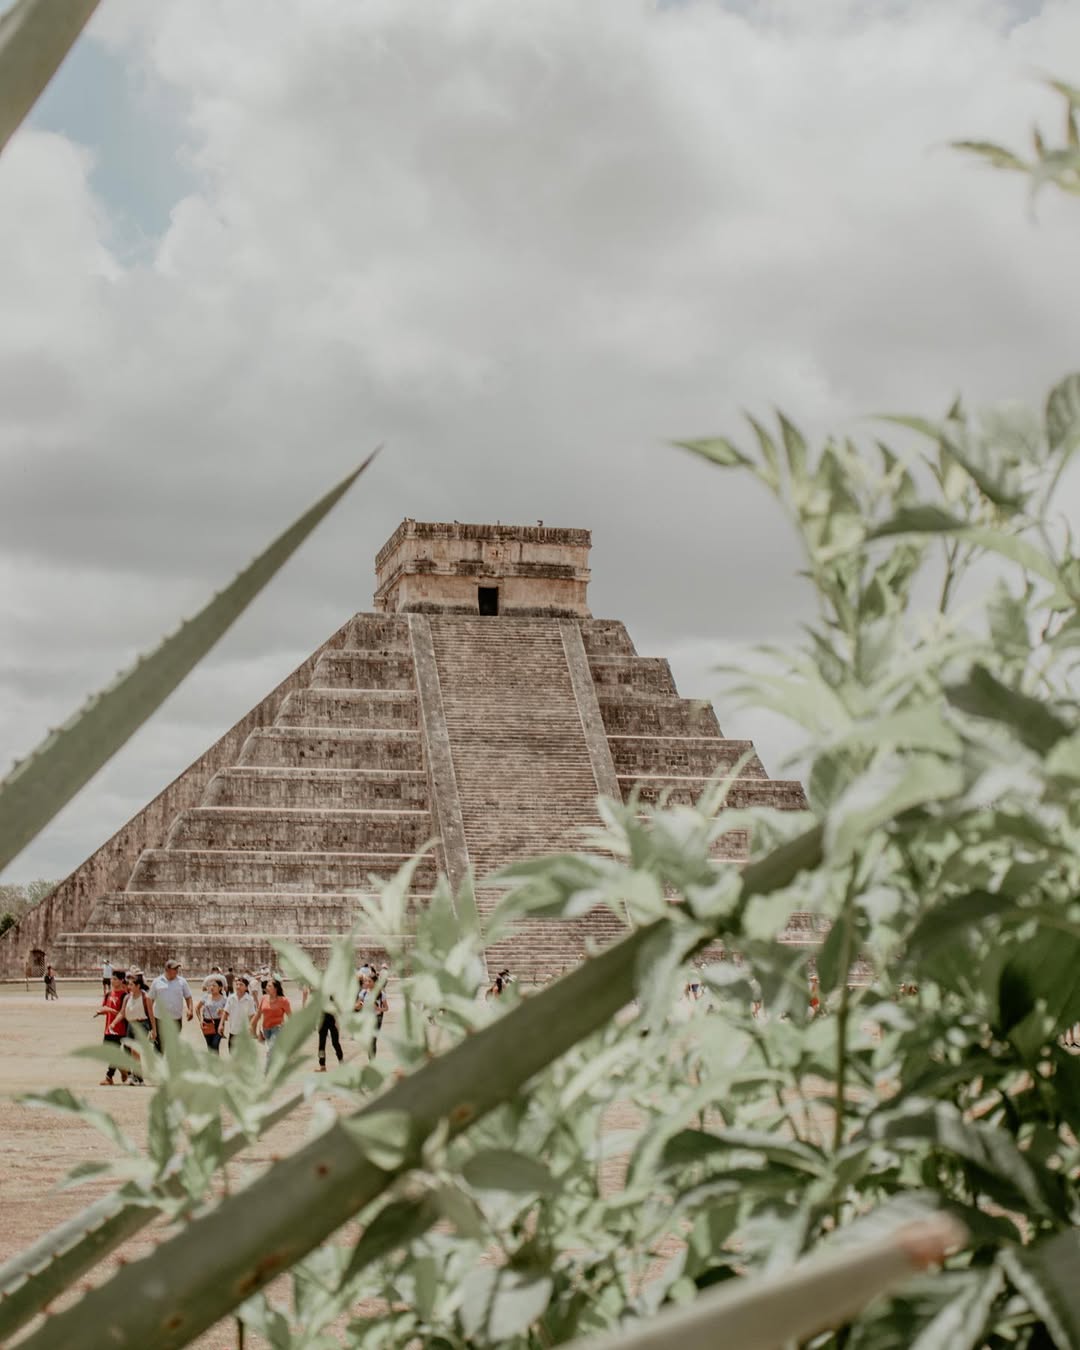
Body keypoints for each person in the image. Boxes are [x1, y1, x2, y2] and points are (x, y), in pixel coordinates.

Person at [93, 969, 129, 1085]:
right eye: (112, 979)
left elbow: (123, 1013)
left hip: (120, 1028)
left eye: (115, 979)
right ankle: (124, 1070)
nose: (112, 981)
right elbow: (105, 1008)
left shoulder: (125, 996)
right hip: (109, 1028)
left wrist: (110, 1010)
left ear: (121, 980)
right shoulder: (108, 994)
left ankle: (109, 1077)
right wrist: (101, 1011)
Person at [148, 959, 194, 1049]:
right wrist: (151, 1021)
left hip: (175, 1020)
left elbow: (188, 997)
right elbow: (150, 1001)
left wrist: (190, 1009)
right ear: (167, 969)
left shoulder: (182, 982)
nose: (177, 971)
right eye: (174, 969)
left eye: (177, 968)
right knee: (159, 1047)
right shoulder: (157, 982)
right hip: (160, 1020)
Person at [121, 971, 155, 1084]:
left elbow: (151, 1014)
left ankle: (139, 1077)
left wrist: (154, 1030)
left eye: (131, 985)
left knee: (136, 1051)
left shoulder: (146, 997)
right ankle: (137, 1076)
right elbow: (123, 1012)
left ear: (138, 985)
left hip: (142, 1024)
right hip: (131, 1024)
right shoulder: (128, 997)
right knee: (132, 1052)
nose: (129, 987)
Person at [251, 978, 291, 1067]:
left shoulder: (283, 1001)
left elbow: (290, 1016)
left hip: (278, 1028)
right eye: (267, 986)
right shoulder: (264, 998)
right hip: (266, 1029)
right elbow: (258, 1014)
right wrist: (252, 1027)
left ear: (276, 988)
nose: (266, 987)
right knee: (271, 1049)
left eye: (269, 986)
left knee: (270, 1050)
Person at [356, 972, 388, 1060]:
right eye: (366, 981)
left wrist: (378, 1008)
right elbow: (357, 1006)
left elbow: (386, 1008)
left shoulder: (381, 994)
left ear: (374, 982)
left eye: (369, 981)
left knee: (373, 1041)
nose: (367, 983)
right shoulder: (363, 993)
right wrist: (359, 1006)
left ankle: (372, 1062)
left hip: (377, 1019)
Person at [221, 976, 257, 1051]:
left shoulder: (249, 999)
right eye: (237, 984)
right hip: (233, 1031)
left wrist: (253, 1030)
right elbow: (225, 1012)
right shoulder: (231, 998)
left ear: (246, 988)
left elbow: (252, 1016)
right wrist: (221, 1025)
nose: (238, 986)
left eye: (241, 985)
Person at [195, 978, 227, 1053]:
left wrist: (222, 1011)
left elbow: (227, 1014)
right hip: (207, 1023)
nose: (211, 987)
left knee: (215, 1045)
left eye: (214, 986)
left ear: (220, 988)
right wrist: (200, 1020)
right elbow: (197, 1008)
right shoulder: (206, 997)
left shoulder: (224, 999)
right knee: (209, 1046)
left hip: (218, 1023)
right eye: (210, 986)